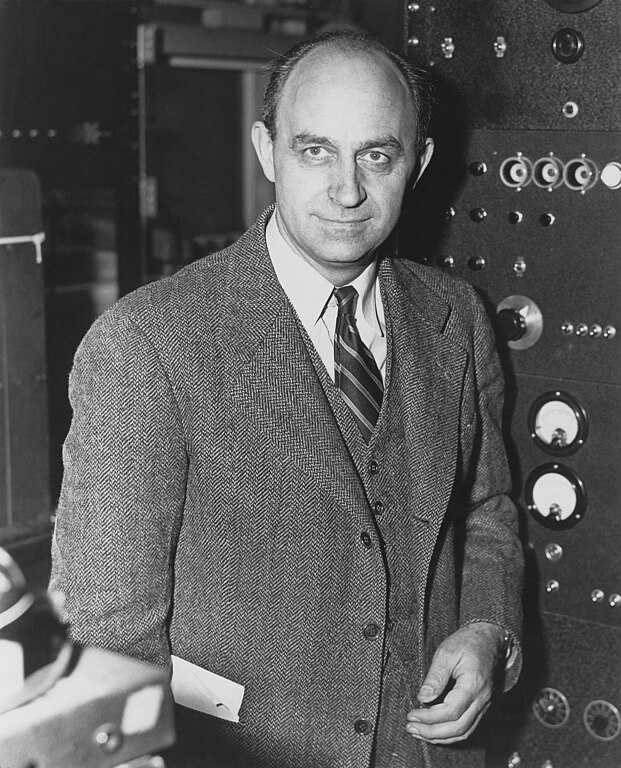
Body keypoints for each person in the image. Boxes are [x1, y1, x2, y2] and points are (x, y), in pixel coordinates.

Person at [50, 30, 523, 768]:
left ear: (419, 164)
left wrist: (488, 628)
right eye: (314, 150)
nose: (346, 189)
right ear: (267, 150)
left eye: (377, 154)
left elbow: (487, 511)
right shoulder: (147, 344)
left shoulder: (456, 318)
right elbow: (109, 631)